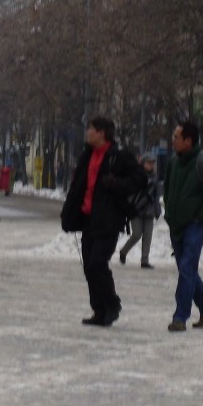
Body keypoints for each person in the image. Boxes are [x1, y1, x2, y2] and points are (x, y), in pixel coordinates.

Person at [60, 116, 145, 328]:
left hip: (109, 219)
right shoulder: (87, 156)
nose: (87, 132)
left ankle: (112, 305)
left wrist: (116, 183)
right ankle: (99, 310)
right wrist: (68, 214)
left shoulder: (118, 156)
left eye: (90, 129)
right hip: (88, 218)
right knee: (88, 265)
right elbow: (77, 187)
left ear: (101, 133)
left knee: (98, 262)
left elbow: (140, 179)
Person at [162, 121, 203, 332]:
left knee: (187, 266)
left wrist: (201, 217)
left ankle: (180, 317)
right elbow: (168, 189)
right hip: (177, 224)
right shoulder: (173, 162)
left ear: (188, 141)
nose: (173, 140)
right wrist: (169, 212)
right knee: (186, 269)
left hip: (195, 225)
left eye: (176, 137)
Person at [119, 153, 161, 269]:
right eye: (149, 163)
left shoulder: (154, 178)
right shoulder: (135, 176)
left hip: (149, 211)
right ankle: (123, 251)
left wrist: (157, 210)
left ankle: (144, 260)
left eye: (152, 163)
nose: (151, 165)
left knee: (148, 237)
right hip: (136, 211)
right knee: (137, 234)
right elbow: (130, 192)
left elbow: (156, 196)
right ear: (143, 164)